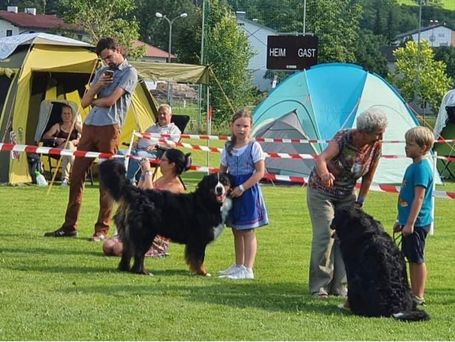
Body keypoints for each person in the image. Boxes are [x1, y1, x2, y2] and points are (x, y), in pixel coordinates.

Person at [44, 37, 138, 240]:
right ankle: (70, 226)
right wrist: (97, 86)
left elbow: (112, 101)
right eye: (104, 59)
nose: (108, 62)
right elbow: (84, 102)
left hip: (110, 128)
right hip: (89, 127)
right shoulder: (102, 72)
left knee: (106, 181)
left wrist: (96, 100)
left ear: (118, 50)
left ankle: (101, 231)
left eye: (109, 57)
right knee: (76, 176)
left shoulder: (130, 72)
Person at [307, 107, 388, 298]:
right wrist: (325, 173)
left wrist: (360, 202)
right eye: (377, 134)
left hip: (347, 196)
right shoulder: (342, 139)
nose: (380, 137)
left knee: (348, 237)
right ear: (362, 132)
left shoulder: (376, 145)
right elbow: (321, 159)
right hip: (321, 192)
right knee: (325, 235)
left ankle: (340, 287)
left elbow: (368, 177)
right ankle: (319, 286)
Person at [103, 148, 190, 257]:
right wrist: (144, 173)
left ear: (172, 165)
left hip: (156, 232)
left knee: (117, 249)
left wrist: (149, 172)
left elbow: (151, 198)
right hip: (142, 224)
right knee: (107, 246)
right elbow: (140, 193)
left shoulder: (176, 187)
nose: (159, 162)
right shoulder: (160, 179)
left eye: (163, 160)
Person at [218, 109, 269, 280]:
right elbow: (222, 171)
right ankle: (238, 264)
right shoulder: (228, 147)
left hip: (248, 192)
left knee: (248, 230)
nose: (241, 129)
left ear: (251, 128)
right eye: (238, 125)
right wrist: (224, 188)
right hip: (232, 191)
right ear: (232, 126)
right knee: (236, 229)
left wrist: (242, 187)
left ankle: (248, 268)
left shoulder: (254, 146)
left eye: (245, 126)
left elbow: (260, 172)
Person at [393, 126, 434, 306]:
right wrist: (400, 221)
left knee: (417, 258)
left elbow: (419, 198)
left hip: (417, 223)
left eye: (410, 144)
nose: (406, 147)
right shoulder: (412, 167)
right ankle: (412, 292)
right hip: (408, 222)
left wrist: (410, 223)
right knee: (409, 256)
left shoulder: (422, 169)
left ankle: (418, 295)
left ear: (423, 147)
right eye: (406, 143)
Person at [126, 104, 181, 184]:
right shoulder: (152, 127)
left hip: (157, 153)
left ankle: (129, 181)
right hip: (138, 149)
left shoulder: (174, 130)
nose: (161, 115)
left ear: (170, 116)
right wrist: (136, 143)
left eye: (164, 113)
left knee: (138, 155)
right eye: (159, 113)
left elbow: (173, 145)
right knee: (120, 153)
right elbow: (142, 138)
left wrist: (157, 145)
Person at [42, 104, 83, 186]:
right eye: (64, 113)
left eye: (69, 113)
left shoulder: (75, 125)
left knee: (67, 150)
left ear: (72, 115)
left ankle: (65, 179)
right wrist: (56, 139)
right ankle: (77, 170)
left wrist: (78, 141)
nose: (67, 116)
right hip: (58, 150)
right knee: (68, 146)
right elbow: (45, 136)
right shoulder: (58, 126)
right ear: (61, 115)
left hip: (70, 152)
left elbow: (87, 135)